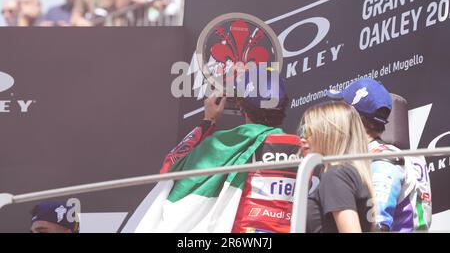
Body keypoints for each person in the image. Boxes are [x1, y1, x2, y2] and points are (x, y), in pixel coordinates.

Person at [123, 67, 306, 233]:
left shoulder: (222, 144)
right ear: (284, 105)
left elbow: (169, 168)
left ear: (240, 105)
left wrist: (208, 121)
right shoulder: (303, 149)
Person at [327, 78, 432, 232]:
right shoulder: (391, 155)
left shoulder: (382, 160)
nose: (334, 117)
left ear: (352, 116)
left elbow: (379, 224)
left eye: (340, 110)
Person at [300, 101, 375, 233]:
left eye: (307, 130)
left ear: (328, 133)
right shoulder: (352, 173)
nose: (302, 138)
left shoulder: (335, 176)